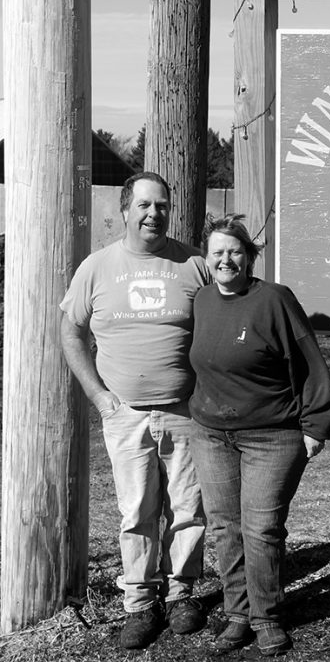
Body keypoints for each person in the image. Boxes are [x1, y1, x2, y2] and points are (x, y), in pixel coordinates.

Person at [60, 171, 210, 649]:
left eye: (162, 205)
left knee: (188, 508)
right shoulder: (97, 267)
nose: (154, 214)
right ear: (125, 210)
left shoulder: (194, 264)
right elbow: (70, 333)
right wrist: (100, 397)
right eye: (144, 205)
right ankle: (141, 604)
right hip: (125, 413)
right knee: (136, 512)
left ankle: (184, 592)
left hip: (186, 411)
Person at [187, 214, 330, 656]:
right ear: (207, 258)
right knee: (224, 527)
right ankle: (237, 614)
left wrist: (317, 423)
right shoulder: (201, 301)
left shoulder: (274, 299)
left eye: (235, 251)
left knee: (262, 528)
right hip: (211, 433)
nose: (226, 259)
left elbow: (309, 361)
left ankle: (267, 616)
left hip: (272, 434)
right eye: (217, 252)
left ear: (249, 257)